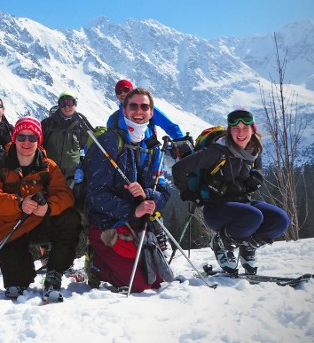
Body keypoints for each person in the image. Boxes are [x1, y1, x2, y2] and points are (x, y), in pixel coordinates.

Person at [171, 108, 290, 275]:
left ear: (252, 130)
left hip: (244, 205)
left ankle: (248, 247)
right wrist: (190, 194)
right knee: (254, 216)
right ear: (229, 130)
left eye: (245, 128)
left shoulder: (254, 150)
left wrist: (256, 178)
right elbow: (178, 169)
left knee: (280, 220)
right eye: (236, 128)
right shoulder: (216, 152)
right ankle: (221, 243)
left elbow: (259, 172)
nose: (241, 133)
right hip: (216, 209)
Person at [0, 117, 81, 301]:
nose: (26, 142)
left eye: (32, 138)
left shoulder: (48, 166)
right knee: (19, 281)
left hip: (40, 221)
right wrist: (19, 203)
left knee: (70, 218)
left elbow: (65, 195)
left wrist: (49, 208)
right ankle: (19, 278)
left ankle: (54, 272)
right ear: (14, 138)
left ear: (39, 140)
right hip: (10, 229)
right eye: (21, 137)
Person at [84, 87, 173, 293]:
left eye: (145, 107)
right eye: (133, 106)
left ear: (151, 113)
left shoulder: (151, 146)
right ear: (123, 110)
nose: (139, 111)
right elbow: (96, 194)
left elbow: (163, 188)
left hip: (137, 222)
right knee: (139, 284)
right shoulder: (108, 141)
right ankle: (95, 263)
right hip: (108, 222)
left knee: (157, 278)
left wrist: (149, 198)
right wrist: (132, 210)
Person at [108, 79, 184, 140]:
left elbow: (169, 126)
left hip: (150, 157)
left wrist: (181, 141)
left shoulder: (146, 109)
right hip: (122, 158)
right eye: (119, 92)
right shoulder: (113, 119)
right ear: (117, 96)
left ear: (132, 91)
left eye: (126, 90)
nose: (123, 94)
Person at [41, 91, 92, 183]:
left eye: (70, 103)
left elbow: (89, 148)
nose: (66, 107)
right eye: (63, 104)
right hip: (49, 174)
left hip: (72, 178)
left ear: (75, 104)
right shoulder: (48, 124)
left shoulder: (81, 126)